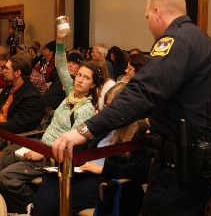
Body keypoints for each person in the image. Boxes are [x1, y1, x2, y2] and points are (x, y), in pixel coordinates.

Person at [52, 0, 211, 216]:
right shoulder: (203, 41)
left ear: (157, 12)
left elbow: (141, 93)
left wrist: (85, 130)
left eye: (147, 18)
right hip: (203, 155)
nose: (147, 25)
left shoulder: (175, 41)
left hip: (181, 162)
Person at [0, 53, 105, 213]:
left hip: (55, 156)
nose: (80, 80)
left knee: (7, 177)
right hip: (41, 143)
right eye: (79, 75)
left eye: (86, 78)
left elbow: (72, 145)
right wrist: (61, 42)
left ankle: (32, 207)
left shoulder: (86, 109)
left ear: (92, 85)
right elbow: (61, 67)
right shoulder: (71, 94)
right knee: (4, 157)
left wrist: (44, 154)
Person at [33, 82, 151, 216]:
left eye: (112, 107)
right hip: (87, 172)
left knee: (57, 196)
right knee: (51, 179)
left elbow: (140, 170)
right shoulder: (105, 125)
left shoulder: (140, 130)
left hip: (107, 181)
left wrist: (104, 169)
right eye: (106, 105)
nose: (108, 111)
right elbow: (88, 150)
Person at [0, 52, 45, 150]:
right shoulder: (9, 89)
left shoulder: (32, 97)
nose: (3, 70)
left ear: (17, 73)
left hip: (10, 140)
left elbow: (16, 126)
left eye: (7, 68)